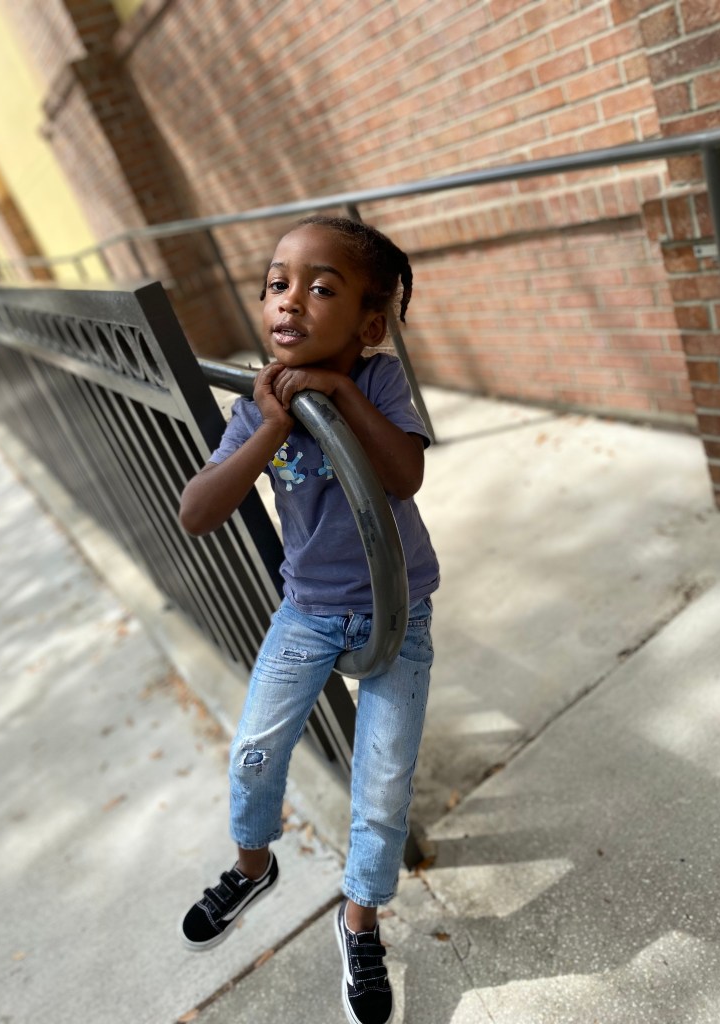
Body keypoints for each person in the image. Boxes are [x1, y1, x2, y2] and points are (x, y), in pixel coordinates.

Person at [178, 215, 439, 1024]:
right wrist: (275, 424)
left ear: (368, 325)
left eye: (320, 288)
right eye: (277, 284)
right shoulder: (257, 403)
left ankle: (359, 921)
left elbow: (405, 474)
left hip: (398, 609)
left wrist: (341, 394)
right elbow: (197, 511)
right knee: (255, 752)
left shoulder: (378, 379)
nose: (290, 301)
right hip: (310, 612)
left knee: (383, 784)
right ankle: (254, 866)